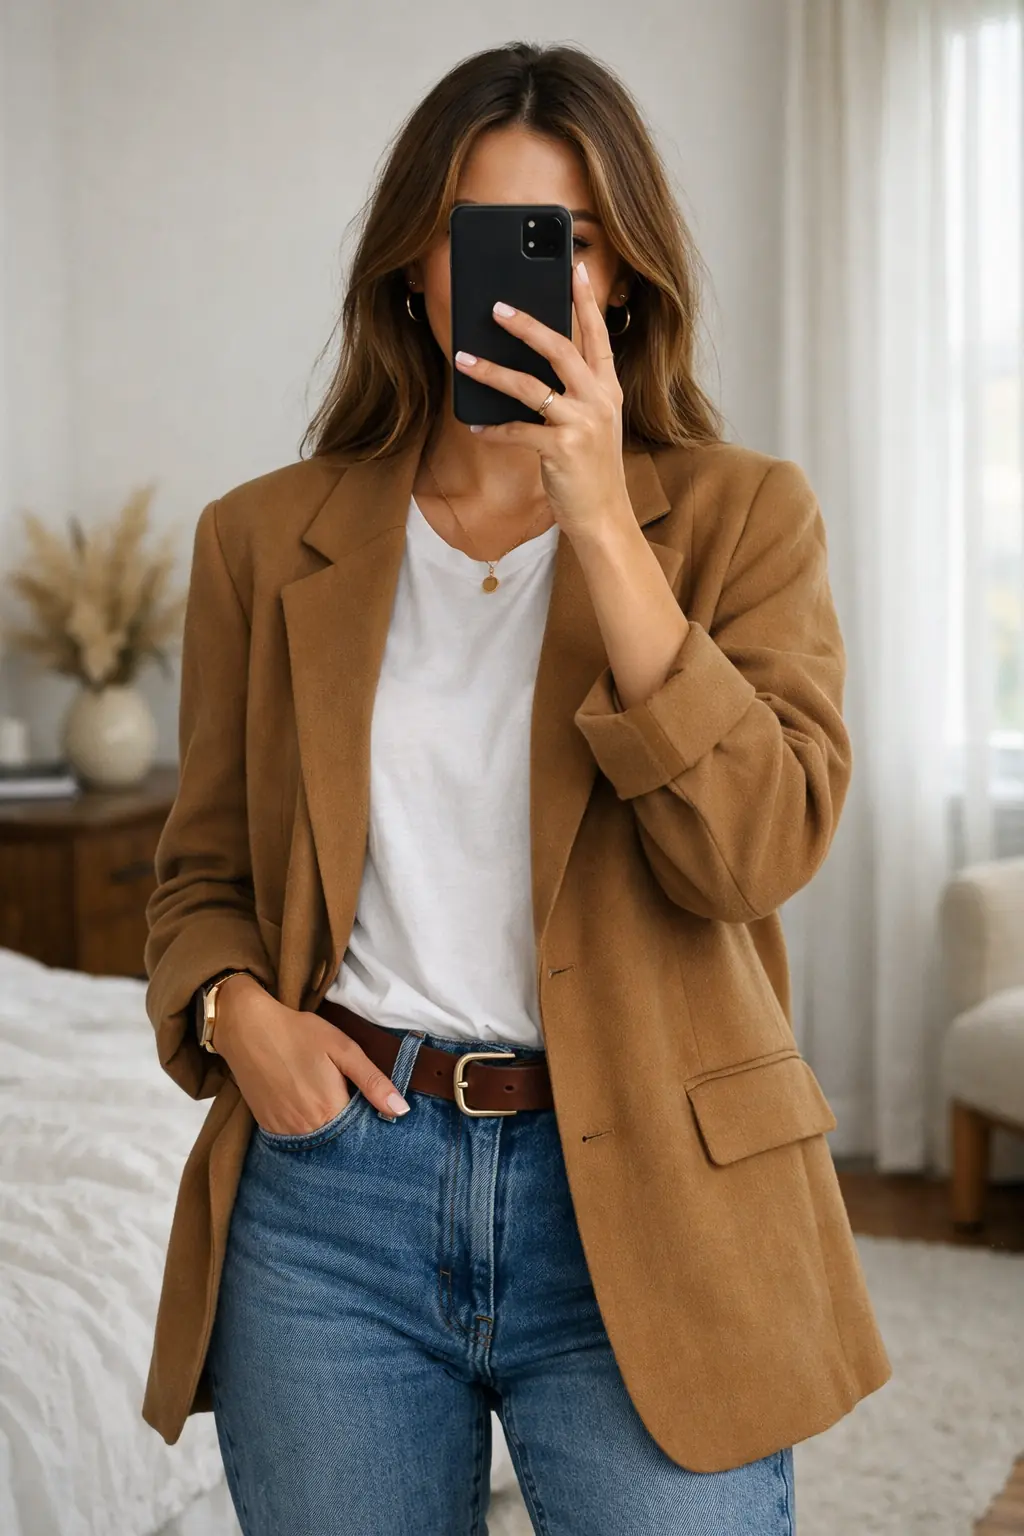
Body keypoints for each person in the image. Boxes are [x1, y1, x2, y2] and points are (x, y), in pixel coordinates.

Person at [142, 38, 892, 1536]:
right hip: (337, 1193)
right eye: (478, 228)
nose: (525, 274)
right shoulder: (258, 540)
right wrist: (240, 1019)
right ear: (412, 265)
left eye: (573, 237)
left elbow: (757, 848)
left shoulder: (746, 518)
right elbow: (198, 875)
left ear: (617, 278)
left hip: (660, 1189)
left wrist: (604, 523)